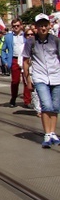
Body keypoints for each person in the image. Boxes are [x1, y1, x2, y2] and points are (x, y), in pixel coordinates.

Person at [22, 14, 60, 148]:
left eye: (45, 25)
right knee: (46, 105)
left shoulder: (55, 40)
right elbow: (25, 61)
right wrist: (28, 79)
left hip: (56, 76)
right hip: (40, 77)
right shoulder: (30, 42)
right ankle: (47, 133)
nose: (43, 28)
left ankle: (52, 132)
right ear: (36, 27)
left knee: (55, 107)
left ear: (49, 26)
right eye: (40, 25)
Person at [1, 18, 31, 108]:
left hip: (25, 59)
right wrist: (5, 61)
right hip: (14, 59)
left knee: (27, 80)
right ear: (12, 27)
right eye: (14, 26)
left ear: (21, 26)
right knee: (15, 81)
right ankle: (13, 98)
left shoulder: (26, 35)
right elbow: (3, 49)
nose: (16, 27)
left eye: (18, 25)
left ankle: (27, 101)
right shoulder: (8, 37)